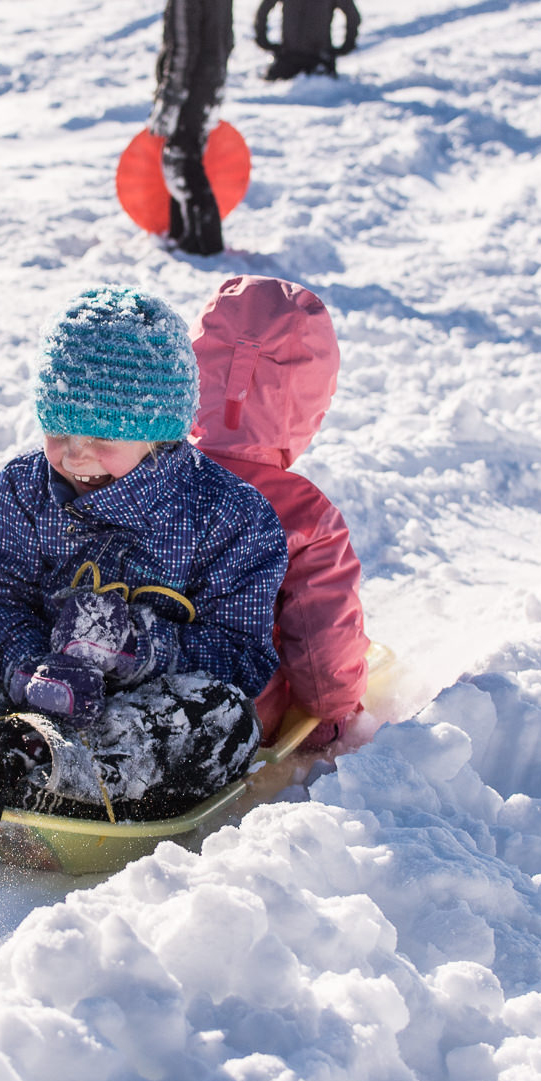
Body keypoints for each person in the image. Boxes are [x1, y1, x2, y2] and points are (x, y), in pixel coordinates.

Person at [0, 285, 288, 820]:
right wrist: (27, 670)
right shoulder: (24, 488)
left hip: (129, 721)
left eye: (101, 436)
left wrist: (131, 650)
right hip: (14, 700)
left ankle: (65, 773)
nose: (74, 454)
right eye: (58, 429)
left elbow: (242, 656)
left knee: (228, 719)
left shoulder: (230, 517)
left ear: (159, 433)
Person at [190, 276, 370, 748]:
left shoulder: (147, 471)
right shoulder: (304, 515)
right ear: (310, 401)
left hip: (126, 681)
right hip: (234, 712)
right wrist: (329, 715)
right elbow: (321, 643)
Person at [151, 0, 240, 258]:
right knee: (188, 159)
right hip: (210, 84)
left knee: (182, 162)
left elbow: (183, 46)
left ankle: (204, 244)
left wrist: (171, 95)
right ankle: (190, 238)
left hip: (190, 89)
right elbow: (225, 39)